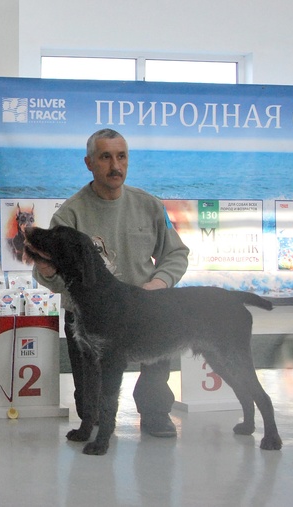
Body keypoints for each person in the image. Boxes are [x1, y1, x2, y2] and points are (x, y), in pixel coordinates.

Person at [32, 128, 189, 437]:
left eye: (121, 157)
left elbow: (177, 254)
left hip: (143, 307)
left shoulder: (149, 205)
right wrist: (47, 272)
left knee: (158, 370)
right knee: (91, 411)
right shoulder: (70, 214)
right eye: (105, 157)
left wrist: (159, 284)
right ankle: (95, 417)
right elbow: (48, 275)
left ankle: (155, 412)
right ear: (89, 163)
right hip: (88, 316)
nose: (115, 166)